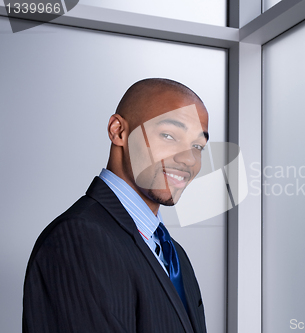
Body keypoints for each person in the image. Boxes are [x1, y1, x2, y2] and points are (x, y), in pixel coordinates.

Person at [22, 78, 209, 333]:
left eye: (197, 146)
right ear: (118, 131)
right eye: (168, 135)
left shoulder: (175, 255)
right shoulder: (80, 237)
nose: (188, 159)